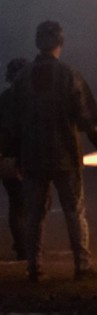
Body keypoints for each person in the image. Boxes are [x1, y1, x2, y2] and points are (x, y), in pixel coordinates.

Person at [11, 21, 97, 281]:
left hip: (32, 158)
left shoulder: (22, 79)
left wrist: (15, 157)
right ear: (60, 42)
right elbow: (87, 122)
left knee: (35, 213)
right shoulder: (69, 75)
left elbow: (12, 123)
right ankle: (82, 267)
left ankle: (34, 269)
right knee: (74, 211)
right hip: (65, 157)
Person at [0, 58, 29, 260]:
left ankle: (21, 246)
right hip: (24, 157)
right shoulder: (29, 99)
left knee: (16, 203)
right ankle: (26, 247)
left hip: (5, 158)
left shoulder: (3, 98)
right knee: (27, 204)